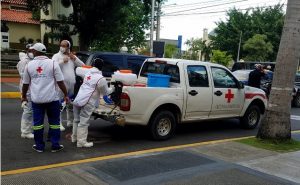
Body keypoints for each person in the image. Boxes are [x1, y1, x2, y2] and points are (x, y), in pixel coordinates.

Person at [22, 43, 69, 153]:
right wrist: (66, 94)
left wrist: (23, 96)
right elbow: (60, 82)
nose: (31, 52)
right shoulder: (53, 64)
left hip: (36, 100)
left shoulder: (29, 65)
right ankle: (55, 145)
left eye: (32, 50)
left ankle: (39, 146)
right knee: (54, 123)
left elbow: (25, 84)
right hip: (52, 99)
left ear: (36, 52)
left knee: (37, 124)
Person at [72, 59, 113, 148]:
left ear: (93, 65)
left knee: (76, 120)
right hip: (88, 101)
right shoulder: (100, 78)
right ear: (102, 67)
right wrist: (113, 89)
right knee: (84, 122)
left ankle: (74, 138)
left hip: (78, 98)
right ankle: (81, 142)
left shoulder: (87, 73)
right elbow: (105, 92)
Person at [52, 40, 84, 131]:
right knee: (60, 105)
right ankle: (58, 123)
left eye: (64, 46)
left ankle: (70, 121)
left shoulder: (71, 56)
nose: (62, 47)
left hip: (71, 84)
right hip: (61, 85)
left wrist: (74, 58)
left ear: (68, 47)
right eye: (61, 45)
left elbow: (83, 65)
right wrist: (62, 61)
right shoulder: (56, 56)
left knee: (70, 104)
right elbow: (52, 66)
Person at [16, 44, 34, 139]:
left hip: (32, 88)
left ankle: (29, 129)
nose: (31, 52)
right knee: (28, 110)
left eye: (33, 50)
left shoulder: (33, 60)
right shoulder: (24, 62)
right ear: (27, 51)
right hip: (26, 88)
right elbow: (23, 75)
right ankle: (25, 132)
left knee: (31, 110)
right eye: (30, 50)